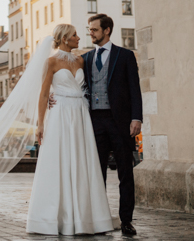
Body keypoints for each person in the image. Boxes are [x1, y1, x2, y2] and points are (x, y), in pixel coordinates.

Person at [26, 24, 115, 235]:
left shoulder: (81, 60)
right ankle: (58, 219)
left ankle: (86, 218)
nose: (78, 37)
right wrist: (40, 124)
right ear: (65, 39)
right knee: (61, 161)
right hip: (61, 114)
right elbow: (44, 94)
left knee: (83, 161)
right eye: (74, 34)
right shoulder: (51, 62)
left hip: (81, 114)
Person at [81, 13, 143, 237]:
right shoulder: (85, 58)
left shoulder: (125, 56)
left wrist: (137, 118)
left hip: (121, 123)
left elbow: (135, 88)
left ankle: (126, 221)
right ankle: (99, 219)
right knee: (97, 174)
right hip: (94, 121)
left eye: (94, 30)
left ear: (107, 30)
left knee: (125, 172)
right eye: (90, 30)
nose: (91, 33)